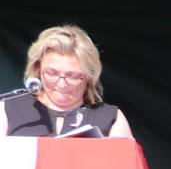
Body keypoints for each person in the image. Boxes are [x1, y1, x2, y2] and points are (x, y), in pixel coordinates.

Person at [4, 25, 133, 138]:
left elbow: (125, 164)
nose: (61, 84)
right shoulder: (7, 109)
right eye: (52, 73)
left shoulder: (111, 117)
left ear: (89, 76)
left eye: (73, 76)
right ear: (37, 69)